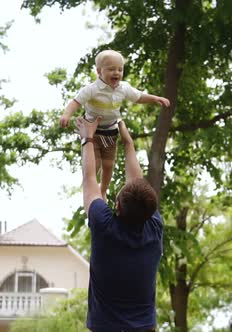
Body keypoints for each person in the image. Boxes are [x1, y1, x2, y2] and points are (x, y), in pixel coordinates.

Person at [75, 116, 163, 332]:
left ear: (117, 206)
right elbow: (135, 183)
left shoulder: (104, 226)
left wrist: (87, 139)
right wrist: (128, 143)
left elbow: (89, 180)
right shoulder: (154, 228)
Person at [60, 50, 170, 201]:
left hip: (111, 131)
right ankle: (90, 187)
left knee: (109, 164)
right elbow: (76, 102)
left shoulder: (123, 88)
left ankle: (103, 190)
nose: (116, 73)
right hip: (92, 132)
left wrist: (154, 98)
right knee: (96, 162)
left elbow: (138, 97)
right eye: (111, 69)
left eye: (120, 69)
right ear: (99, 71)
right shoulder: (92, 89)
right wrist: (67, 114)